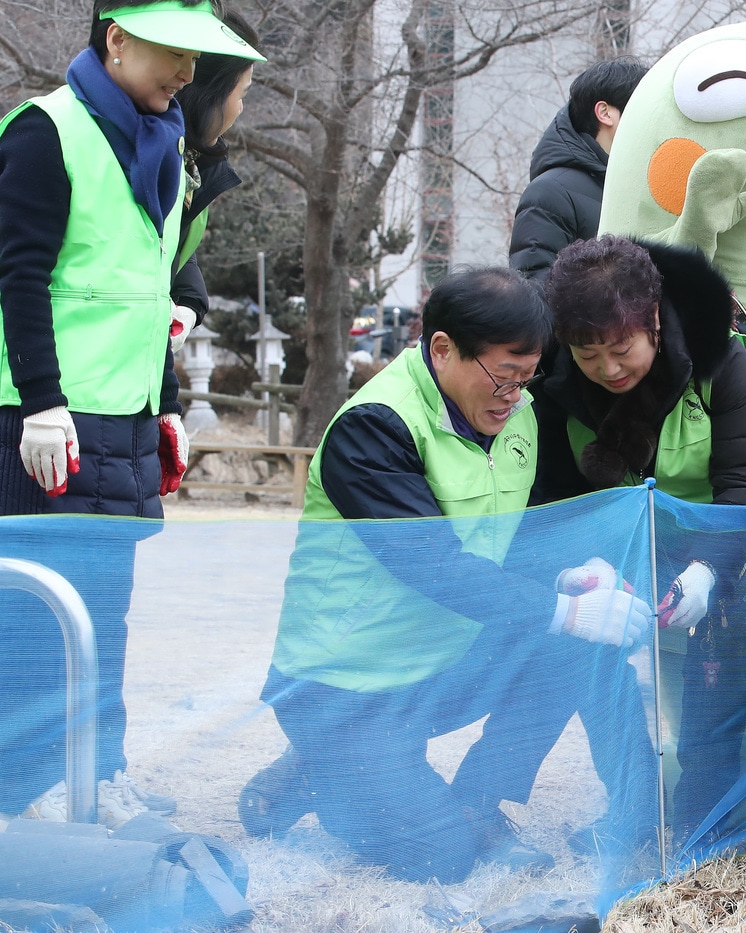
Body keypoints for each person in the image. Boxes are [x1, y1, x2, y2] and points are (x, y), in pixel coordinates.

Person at [239, 268, 655, 882]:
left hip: (440, 660)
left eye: (526, 377)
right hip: (344, 689)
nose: (513, 395)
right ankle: (316, 769)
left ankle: (475, 802)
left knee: (571, 649)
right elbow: (432, 565)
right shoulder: (374, 427)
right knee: (438, 858)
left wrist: (570, 576)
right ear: (441, 349)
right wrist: (561, 609)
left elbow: (511, 540)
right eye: (502, 376)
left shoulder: (519, 417)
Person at [0, 0, 263, 826]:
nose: (187, 76)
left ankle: (93, 775)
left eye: (198, 59)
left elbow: (148, 294)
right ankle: (28, 790)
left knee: (100, 612)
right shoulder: (45, 131)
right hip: (49, 419)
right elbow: (19, 276)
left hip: (123, 413)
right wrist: (41, 401)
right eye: (170, 54)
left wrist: (171, 404)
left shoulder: (163, 146)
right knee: (41, 617)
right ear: (114, 39)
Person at [532, 234, 746, 843]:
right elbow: (555, 496)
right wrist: (582, 566)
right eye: (588, 355)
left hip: (734, 539)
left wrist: (708, 569)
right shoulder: (554, 385)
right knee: (590, 654)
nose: (608, 370)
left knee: (715, 670)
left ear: (652, 320)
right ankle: (637, 804)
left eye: (621, 350)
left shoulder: (721, 365)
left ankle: (703, 821)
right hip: (623, 541)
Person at [168, 8, 261, 350]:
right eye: (242, 94)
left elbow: (175, 247)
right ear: (208, 94)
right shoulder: (152, 157)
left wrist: (191, 303)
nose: (240, 109)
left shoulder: (194, 166)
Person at [508, 58, 648, 283]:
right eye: (643, 107)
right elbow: (534, 287)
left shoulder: (641, 184)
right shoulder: (550, 192)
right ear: (604, 112)